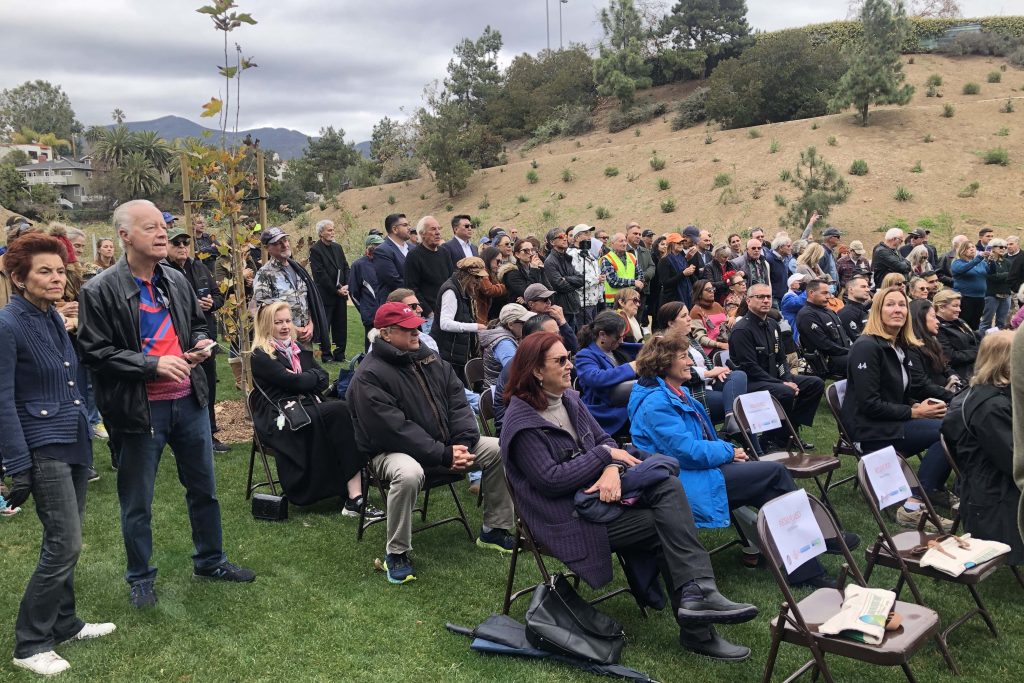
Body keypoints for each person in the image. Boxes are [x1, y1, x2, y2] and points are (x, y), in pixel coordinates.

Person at [500, 332, 758, 662]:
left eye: (570, 357)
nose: (570, 365)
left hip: (598, 501)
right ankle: (698, 614)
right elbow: (552, 481)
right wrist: (606, 459)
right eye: (561, 360)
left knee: (666, 495)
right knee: (668, 515)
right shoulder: (521, 422)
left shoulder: (570, 400)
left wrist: (608, 464)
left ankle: (698, 599)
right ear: (537, 371)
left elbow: (605, 440)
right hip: (565, 519)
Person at [78, 200, 255, 609]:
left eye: (163, 226)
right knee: (137, 501)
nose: (162, 233)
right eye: (150, 227)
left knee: (204, 490)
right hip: (139, 412)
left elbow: (194, 324)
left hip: (189, 403)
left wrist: (198, 345)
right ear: (124, 236)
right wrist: (151, 365)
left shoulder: (175, 279)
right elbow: (94, 353)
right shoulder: (99, 289)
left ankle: (211, 561)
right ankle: (140, 577)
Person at [627, 334, 852, 588]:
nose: (690, 362)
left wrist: (728, 453)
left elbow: (696, 443)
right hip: (681, 483)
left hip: (698, 471)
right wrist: (729, 452)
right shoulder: (656, 402)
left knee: (769, 484)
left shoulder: (672, 392)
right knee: (774, 475)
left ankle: (806, 556)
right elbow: (685, 452)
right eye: (683, 357)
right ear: (664, 363)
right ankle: (814, 544)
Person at [0, 233, 115, 676]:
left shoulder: (50, 317)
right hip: (42, 446)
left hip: (72, 440)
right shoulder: (8, 325)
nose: (56, 278)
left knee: (68, 541)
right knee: (63, 543)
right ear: (18, 278)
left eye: (60, 270)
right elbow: (3, 400)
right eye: (44, 271)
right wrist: (16, 465)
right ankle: (30, 643)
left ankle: (64, 622)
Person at [346, 302, 516, 584]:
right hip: (389, 452)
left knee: (498, 448)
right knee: (408, 472)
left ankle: (495, 530)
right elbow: (394, 430)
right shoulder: (369, 375)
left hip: (444, 445)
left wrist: (461, 442)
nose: (417, 331)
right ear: (386, 334)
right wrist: (444, 454)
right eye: (408, 328)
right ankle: (397, 553)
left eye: (417, 325)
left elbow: (458, 402)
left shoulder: (429, 359)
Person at [249, 301, 381, 517]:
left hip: (307, 405)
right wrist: (305, 379)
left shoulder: (297, 348)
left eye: (288, 321)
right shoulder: (261, 355)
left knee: (344, 412)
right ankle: (353, 495)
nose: (284, 326)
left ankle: (354, 494)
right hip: (279, 415)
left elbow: (322, 378)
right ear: (266, 325)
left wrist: (303, 378)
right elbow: (296, 383)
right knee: (340, 411)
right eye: (278, 322)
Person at [841, 286, 955, 531]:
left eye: (902, 305)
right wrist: (914, 413)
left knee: (953, 423)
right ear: (878, 311)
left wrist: (917, 405)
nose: (898, 310)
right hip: (869, 429)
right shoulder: (867, 346)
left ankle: (928, 491)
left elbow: (896, 395)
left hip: (892, 420)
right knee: (946, 431)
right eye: (890, 304)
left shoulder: (898, 346)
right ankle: (914, 505)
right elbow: (869, 404)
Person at [941, 331, 1020, 564]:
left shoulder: (993, 395)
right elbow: (1014, 462)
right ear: (1009, 361)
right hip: (995, 495)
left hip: (993, 483)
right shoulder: (991, 407)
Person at [729, 283, 824, 450]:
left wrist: (786, 378)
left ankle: (790, 431)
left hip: (773, 377)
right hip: (750, 381)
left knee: (815, 383)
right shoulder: (742, 329)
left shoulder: (772, 324)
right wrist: (781, 383)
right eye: (760, 297)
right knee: (785, 392)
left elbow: (781, 359)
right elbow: (750, 367)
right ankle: (770, 438)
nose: (766, 300)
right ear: (749, 301)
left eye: (768, 297)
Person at [164, 227, 229, 453]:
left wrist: (212, 304)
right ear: (167, 246)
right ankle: (176, 438)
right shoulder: (162, 271)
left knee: (207, 385)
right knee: (180, 387)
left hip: (205, 338)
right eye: (176, 243)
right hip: (177, 339)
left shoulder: (199, 266)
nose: (182, 247)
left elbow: (219, 296)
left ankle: (209, 433)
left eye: (185, 243)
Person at [655, 302, 748, 427]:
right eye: (683, 316)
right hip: (693, 390)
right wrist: (709, 373)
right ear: (670, 323)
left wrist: (717, 371)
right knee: (740, 403)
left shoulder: (690, 339)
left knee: (738, 375)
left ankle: (732, 420)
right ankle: (736, 425)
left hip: (710, 383)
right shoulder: (663, 342)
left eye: (688, 315)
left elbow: (706, 363)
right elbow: (676, 370)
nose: (689, 319)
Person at [252, 226, 327, 350]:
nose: (284, 245)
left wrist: (311, 324)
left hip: (305, 337)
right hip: (281, 341)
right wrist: (293, 329)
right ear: (267, 248)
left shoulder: (298, 268)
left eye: (285, 240)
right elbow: (264, 310)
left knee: (307, 369)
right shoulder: (264, 274)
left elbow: (308, 300)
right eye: (277, 243)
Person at [575, 311, 641, 439]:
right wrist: (630, 367)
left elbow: (644, 349)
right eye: (618, 337)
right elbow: (595, 378)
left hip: (625, 404)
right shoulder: (585, 355)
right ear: (602, 335)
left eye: (623, 336)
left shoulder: (617, 348)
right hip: (605, 412)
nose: (622, 340)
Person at [431, 256, 487, 385]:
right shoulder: (451, 290)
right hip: (448, 354)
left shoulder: (462, 289)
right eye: (476, 277)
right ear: (466, 275)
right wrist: (475, 327)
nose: (478, 281)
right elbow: (445, 323)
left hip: (457, 352)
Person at [403, 215, 455, 335]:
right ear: (422, 234)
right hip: (429, 316)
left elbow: (451, 281)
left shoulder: (444, 252)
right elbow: (411, 288)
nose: (437, 233)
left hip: (448, 312)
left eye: (439, 229)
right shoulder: (414, 256)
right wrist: (429, 312)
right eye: (433, 229)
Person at [308, 219, 350, 361]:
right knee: (325, 325)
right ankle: (326, 355)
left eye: (333, 229)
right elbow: (320, 275)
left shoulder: (338, 247)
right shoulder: (315, 250)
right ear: (321, 233)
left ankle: (340, 354)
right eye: (329, 230)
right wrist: (335, 289)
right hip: (326, 295)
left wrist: (346, 285)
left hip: (341, 294)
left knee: (340, 325)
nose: (333, 232)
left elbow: (345, 267)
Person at [796, 279, 852, 375]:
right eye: (824, 293)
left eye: (829, 293)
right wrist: (850, 352)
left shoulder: (828, 311)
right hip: (829, 361)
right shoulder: (807, 315)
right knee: (865, 360)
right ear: (811, 293)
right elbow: (824, 344)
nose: (829, 297)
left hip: (842, 355)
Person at [908, 299, 959, 402]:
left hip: (945, 394)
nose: (938, 321)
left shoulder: (931, 341)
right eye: (933, 317)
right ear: (920, 320)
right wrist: (954, 397)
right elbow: (922, 385)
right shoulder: (911, 348)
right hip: (931, 402)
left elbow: (945, 366)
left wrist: (954, 377)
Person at [478, 303, 534, 385]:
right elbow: (516, 373)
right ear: (510, 324)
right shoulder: (504, 343)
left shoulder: (512, 336)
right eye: (524, 323)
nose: (528, 325)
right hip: (501, 393)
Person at [934, 289, 980, 382]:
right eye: (955, 306)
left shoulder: (959, 321)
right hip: (961, 373)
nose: (959, 310)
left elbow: (976, 338)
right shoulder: (938, 328)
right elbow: (949, 356)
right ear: (942, 307)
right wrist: (977, 353)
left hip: (976, 365)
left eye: (959, 306)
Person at [348, 234, 384, 351]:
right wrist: (364, 309)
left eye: (380, 245)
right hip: (370, 313)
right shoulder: (358, 265)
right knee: (371, 343)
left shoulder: (386, 263)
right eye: (376, 246)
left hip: (386, 311)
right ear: (368, 247)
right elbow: (353, 292)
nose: (379, 248)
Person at [543, 227, 584, 329]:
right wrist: (574, 282)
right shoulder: (550, 261)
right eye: (561, 236)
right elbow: (559, 285)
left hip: (573, 306)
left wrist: (567, 279)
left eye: (565, 236)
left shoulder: (567, 258)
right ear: (552, 242)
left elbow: (582, 279)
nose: (565, 239)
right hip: (562, 309)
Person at [522, 283, 579, 351]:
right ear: (531, 304)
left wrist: (562, 321)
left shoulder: (552, 317)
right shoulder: (526, 323)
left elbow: (574, 346)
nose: (549, 302)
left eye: (549, 298)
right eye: (545, 300)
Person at [567, 224, 604, 325]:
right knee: (585, 335)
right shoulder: (572, 254)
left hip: (593, 302)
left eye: (590, 234)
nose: (589, 237)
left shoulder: (588, 253)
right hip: (582, 303)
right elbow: (575, 279)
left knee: (593, 333)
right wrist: (597, 279)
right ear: (577, 237)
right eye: (586, 234)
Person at [374, 213, 413, 305]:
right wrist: (417, 290)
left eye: (409, 224)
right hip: (395, 304)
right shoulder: (382, 251)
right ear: (395, 229)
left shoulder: (413, 248)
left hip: (417, 302)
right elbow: (394, 280)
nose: (409, 228)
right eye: (405, 225)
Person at [950, 240, 988, 330]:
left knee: (976, 322)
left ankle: (973, 341)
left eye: (973, 247)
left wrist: (992, 260)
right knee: (964, 321)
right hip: (965, 297)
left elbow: (992, 272)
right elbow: (963, 269)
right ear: (962, 250)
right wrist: (978, 258)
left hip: (980, 297)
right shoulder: (957, 263)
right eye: (968, 248)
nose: (972, 249)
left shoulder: (981, 263)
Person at [601, 232, 645, 306]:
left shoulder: (631, 256)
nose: (624, 243)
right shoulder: (607, 259)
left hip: (631, 299)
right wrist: (634, 282)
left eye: (625, 241)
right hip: (614, 302)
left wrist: (639, 284)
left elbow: (640, 274)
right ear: (612, 244)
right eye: (621, 241)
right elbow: (613, 281)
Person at [689, 279, 729, 355]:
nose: (712, 291)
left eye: (712, 289)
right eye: (708, 290)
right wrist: (719, 344)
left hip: (726, 341)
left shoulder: (717, 305)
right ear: (699, 293)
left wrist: (731, 318)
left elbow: (727, 321)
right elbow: (700, 338)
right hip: (711, 349)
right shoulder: (695, 311)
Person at [626, 222, 657, 322]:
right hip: (628, 290)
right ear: (627, 235)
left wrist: (642, 278)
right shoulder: (623, 251)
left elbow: (652, 267)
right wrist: (635, 280)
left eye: (639, 234)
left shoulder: (645, 251)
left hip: (643, 289)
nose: (638, 236)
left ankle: (637, 337)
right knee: (628, 317)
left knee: (639, 317)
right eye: (635, 234)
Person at [980, 238, 1011, 332]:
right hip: (992, 295)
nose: (1003, 249)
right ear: (992, 248)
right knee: (986, 322)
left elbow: (1012, 276)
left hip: (1006, 295)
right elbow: (991, 277)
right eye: (1001, 247)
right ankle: (981, 343)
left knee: (1001, 323)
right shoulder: (986, 261)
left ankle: (997, 345)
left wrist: (1001, 276)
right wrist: (1006, 274)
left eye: (1005, 247)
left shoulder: (1007, 262)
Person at [657, 232, 696, 306]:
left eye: (682, 243)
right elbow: (666, 283)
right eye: (678, 243)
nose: (681, 245)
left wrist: (691, 271)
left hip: (686, 296)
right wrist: (683, 274)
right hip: (672, 299)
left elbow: (688, 277)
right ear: (671, 244)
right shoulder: (664, 260)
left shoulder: (682, 258)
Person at [476, 245, 508, 323]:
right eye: (498, 261)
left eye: (501, 262)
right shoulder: (481, 271)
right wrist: (507, 286)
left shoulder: (491, 272)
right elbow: (489, 290)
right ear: (489, 258)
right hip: (479, 313)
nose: (499, 264)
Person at [838, 274, 871, 341]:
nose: (868, 290)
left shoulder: (863, 310)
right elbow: (857, 341)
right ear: (851, 290)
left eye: (868, 286)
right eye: (863, 287)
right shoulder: (847, 313)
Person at [779, 273, 808, 344]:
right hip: (793, 331)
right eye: (799, 281)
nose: (802, 283)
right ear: (792, 284)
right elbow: (799, 302)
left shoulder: (798, 294)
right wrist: (808, 290)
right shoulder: (788, 297)